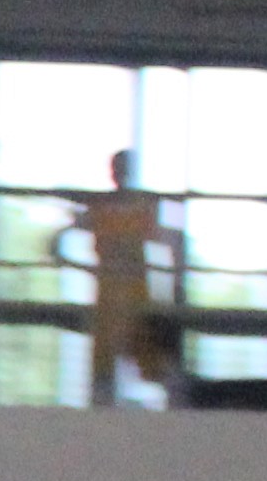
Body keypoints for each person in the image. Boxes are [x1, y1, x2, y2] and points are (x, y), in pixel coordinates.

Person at [75, 153, 185, 411]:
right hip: (111, 295)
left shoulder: (137, 207)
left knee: (149, 358)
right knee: (106, 365)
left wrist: (176, 279)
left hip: (133, 294)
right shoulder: (105, 207)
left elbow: (168, 240)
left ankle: (173, 405)